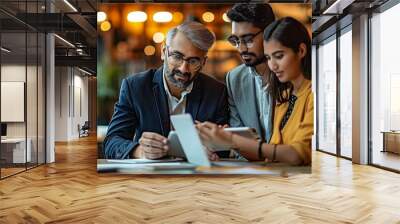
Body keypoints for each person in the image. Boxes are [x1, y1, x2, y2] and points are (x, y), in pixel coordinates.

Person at [104, 21, 229, 159]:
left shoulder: (217, 92)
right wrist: (140, 151)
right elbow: (111, 142)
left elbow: (224, 149)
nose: (183, 69)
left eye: (193, 61)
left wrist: (215, 146)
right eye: (177, 56)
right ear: (164, 52)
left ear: (203, 62)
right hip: (149, 178)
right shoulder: (136, 87)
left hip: (197, 176)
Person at [198, 17, 313, 166]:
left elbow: (297, 154)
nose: (273, 66)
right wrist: (224, 139)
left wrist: (233, 140)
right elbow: (273, 151)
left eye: (279, 56)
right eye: (268, 58)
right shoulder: (285, 96)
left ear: (301, 51)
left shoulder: (312, 94)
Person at [225, 3, 275, 142]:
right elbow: (238, 137)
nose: (241, 49)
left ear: (269, 33)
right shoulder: (234, 78)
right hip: (252, 162)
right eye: (235, 40)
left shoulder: (290, 73)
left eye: (248, 40)